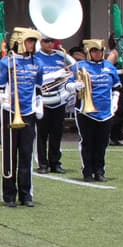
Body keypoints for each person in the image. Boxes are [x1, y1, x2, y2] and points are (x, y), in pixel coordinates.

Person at [0, 27, 44, 208]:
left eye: (34, 41)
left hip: (28, 113)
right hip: (10, 113)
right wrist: (2, 100)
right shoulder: (7, 62)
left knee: (26, 154)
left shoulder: (37, 63)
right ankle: (8, 194)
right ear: (20, 42)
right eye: (29, 41)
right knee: (9, 155)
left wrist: (39, 105)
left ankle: (26, 194)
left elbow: (38, 88)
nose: (32, 44)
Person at [72, 39, 121, 182]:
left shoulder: (109, 67)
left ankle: (100, 171)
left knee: (102, 143)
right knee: (87, 142)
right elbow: (68, 84)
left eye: (100, 51)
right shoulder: (79, 66)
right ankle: (87, 171)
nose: (98, 54)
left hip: (105, 111)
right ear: (89, 52)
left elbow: (116, 87)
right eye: (94, 51)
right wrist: (74, 86)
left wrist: (115, 101)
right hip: (85, 111)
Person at [34, 35, 75, 174]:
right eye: (46, 41)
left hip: (58, 99)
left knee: (56, 133)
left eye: (52, 41)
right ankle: (43, 164)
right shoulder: (35, 57)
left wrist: (69, 82)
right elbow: (35, 79)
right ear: (41, 42)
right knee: (42, 134)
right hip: (43, 99)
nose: (50, 44)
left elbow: (70, 75)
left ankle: (55, 162)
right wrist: (54, 76)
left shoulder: (60, 57)